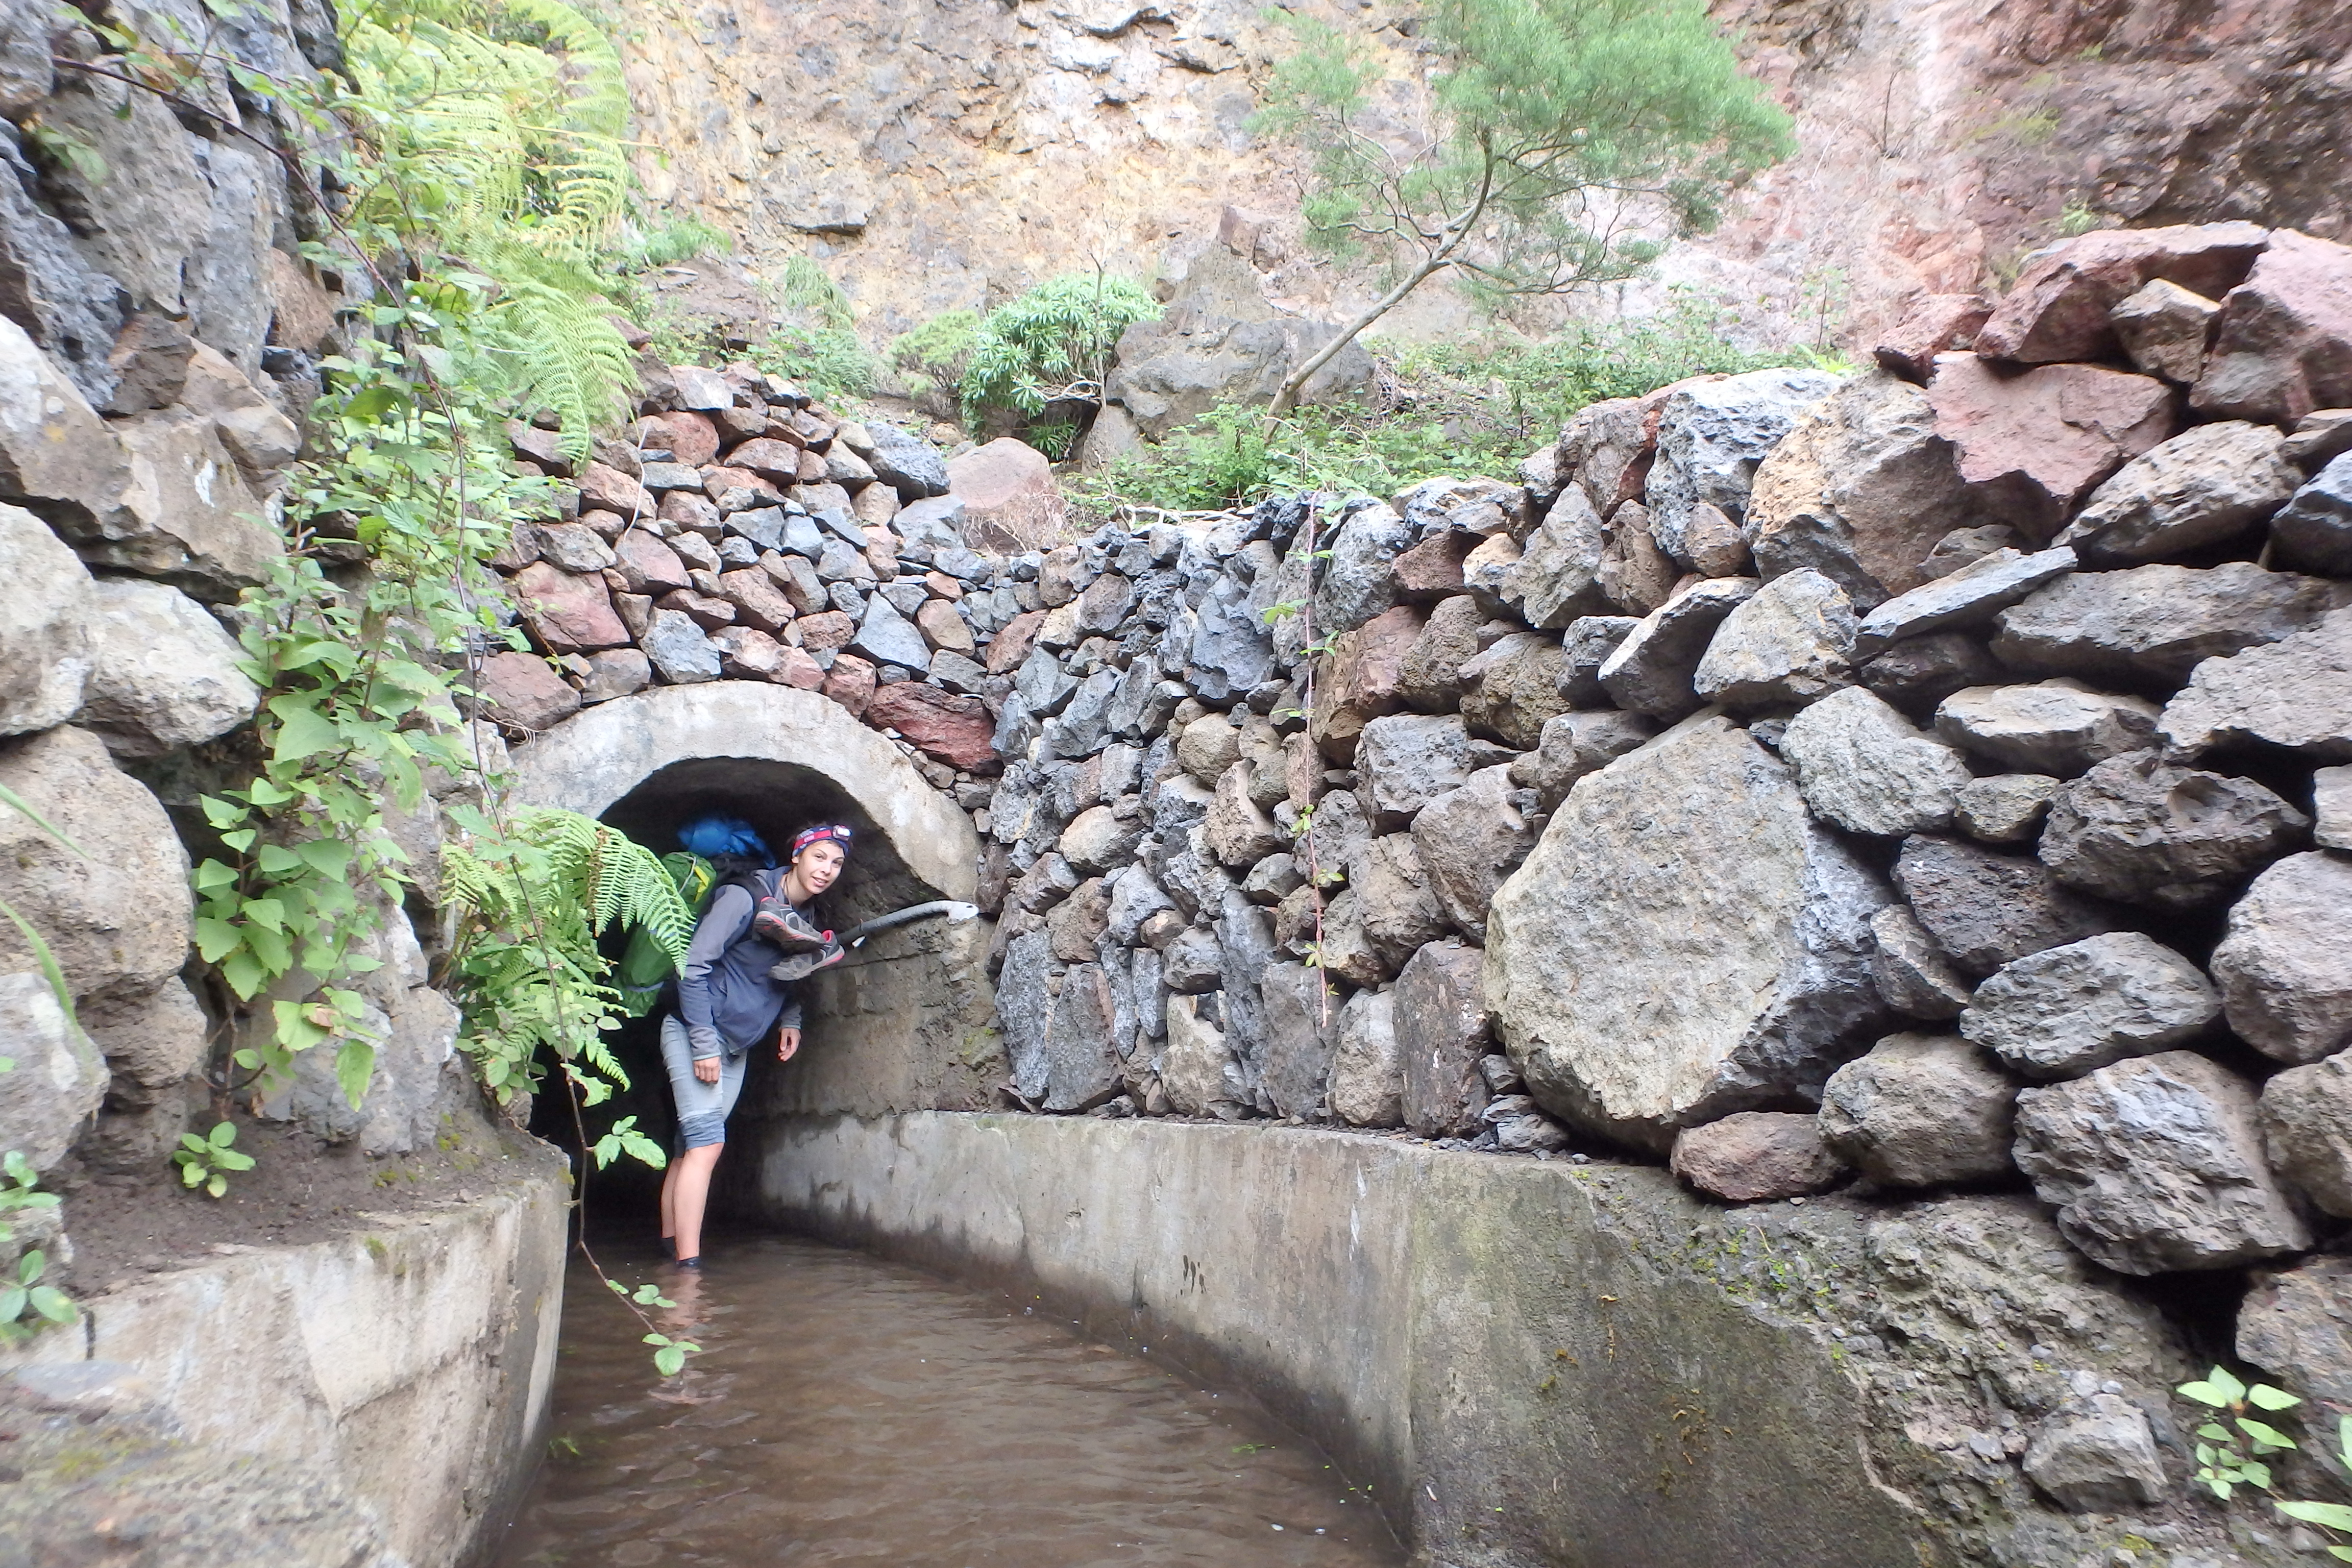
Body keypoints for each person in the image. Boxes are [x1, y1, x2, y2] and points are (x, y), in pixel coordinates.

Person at [658, 822, 853, 1267]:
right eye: (819, 857)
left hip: (739, 1043)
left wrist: (791, 1019)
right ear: (797, 856)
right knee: (706, 1146)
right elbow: (694, 967)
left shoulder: (811, 917)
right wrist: (703, 1044)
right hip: (695, 1031)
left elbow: (792, 969)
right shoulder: (743, 898)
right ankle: (688, 1271)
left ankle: (669, 1246)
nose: (826, 870)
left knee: (690, 1146)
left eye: (837, 862)